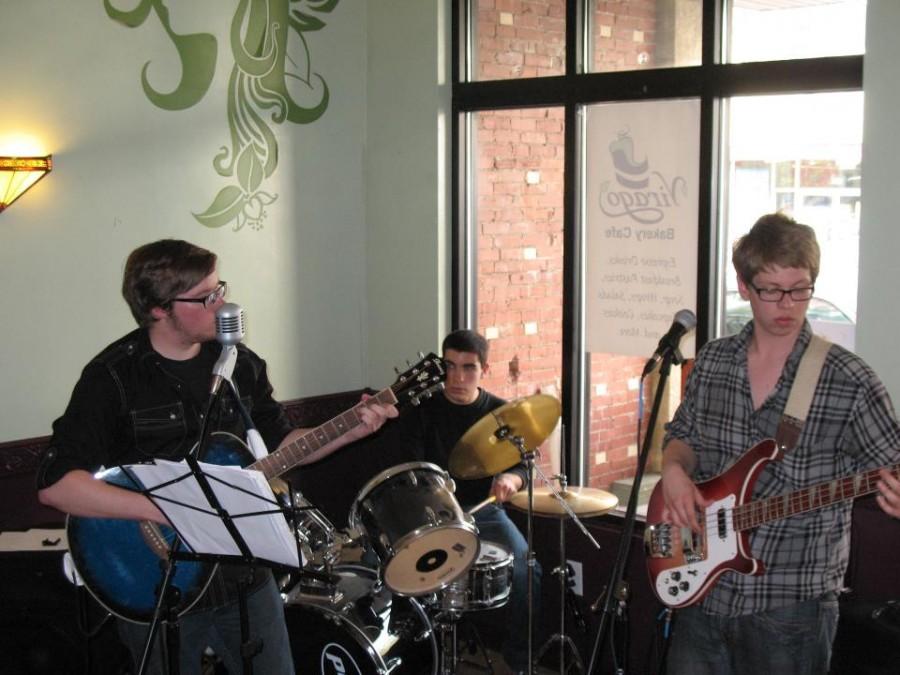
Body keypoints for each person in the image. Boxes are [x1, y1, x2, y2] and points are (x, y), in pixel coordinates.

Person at [36, 239, 397, 675]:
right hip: (156, 579)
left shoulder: (239, 364)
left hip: (244, 572)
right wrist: (170, 510)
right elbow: (57, 486)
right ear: (159, 309)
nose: (223, 303)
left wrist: (350, 428)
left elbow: (281, 447)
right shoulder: (112, 378)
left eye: (219, 288)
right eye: (207, 297)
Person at [659, 213, 900, 675]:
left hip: (791, 607)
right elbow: (681, 437)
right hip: (703, 591)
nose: (787, 304)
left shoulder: (848, 379)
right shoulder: (713, 361)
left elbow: (892, 465)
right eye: (771, 290)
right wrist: (673, 474)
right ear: (744, 286)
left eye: (801, 288)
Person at [379, 329, 541, 674]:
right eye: (450, 367)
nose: (457, 377)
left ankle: (519, 660)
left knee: (527, 568)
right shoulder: (423, 411)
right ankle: (413, 658)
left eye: (468, 368)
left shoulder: (500, 413)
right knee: (391, 568)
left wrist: (512, 478)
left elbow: (524, 466)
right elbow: (409, 471)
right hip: (430, 515)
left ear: (485, 368)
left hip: (483, 513)